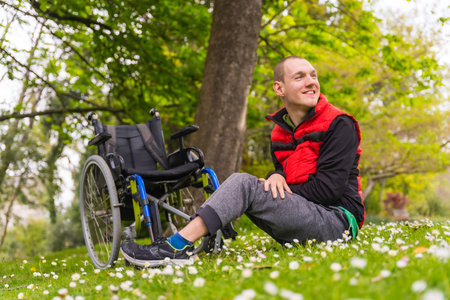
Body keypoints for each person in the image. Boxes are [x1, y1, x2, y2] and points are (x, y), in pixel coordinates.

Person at [120, 56, 365, 266]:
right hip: (305, 216)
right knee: (248, 184)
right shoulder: (279, 134)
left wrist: (269, 187)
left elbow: (328, 190)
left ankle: (174, 248)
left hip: (338, 222)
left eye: (313, 75)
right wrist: (275, 176)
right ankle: (179, 244)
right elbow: (288, 171)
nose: (312, 82)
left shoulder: (339, 124)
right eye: (300, 77)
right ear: (279, 89)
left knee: (244, 184)